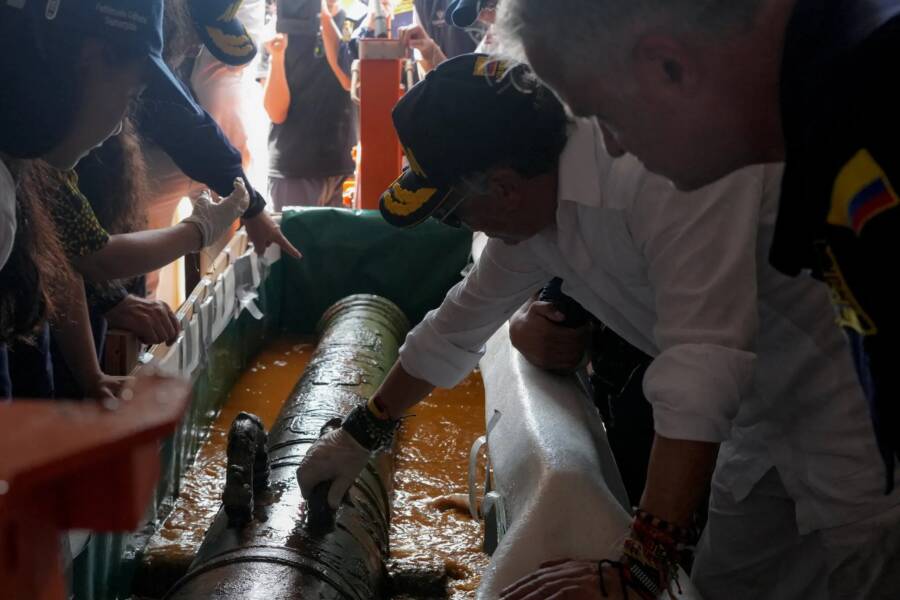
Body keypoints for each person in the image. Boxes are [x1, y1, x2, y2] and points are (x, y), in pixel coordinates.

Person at [296, 55, 900, 599]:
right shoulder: (538, 204)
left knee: (870, 573)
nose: (465, 225)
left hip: (857, 407)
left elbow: (700, 368)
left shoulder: (664, 166)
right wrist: (360, 433)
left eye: (455, 212)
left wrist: (638, 567)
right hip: (759, 418)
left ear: (502, 187)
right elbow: (456, 324)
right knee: (725, 586)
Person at [496, 0, 900, 494]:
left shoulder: (872, 110)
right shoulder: (827, 100)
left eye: (602, 115)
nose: (614, 147)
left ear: (667, 65)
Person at [0, 0, 171, 399]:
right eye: (129, 95)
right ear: (91, 60)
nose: (116, 129)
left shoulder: (22, 168)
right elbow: (94, 257)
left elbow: (70, 263)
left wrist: (91, 377)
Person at [264, 0, 359, 209]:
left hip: (343, 167)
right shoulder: (285, 22)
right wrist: (277, 57)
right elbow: (276, 112)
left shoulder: (354, 20)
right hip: (293, 168)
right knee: (290, 242)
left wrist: (322, 15)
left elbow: (348, 80)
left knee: (343, 242)